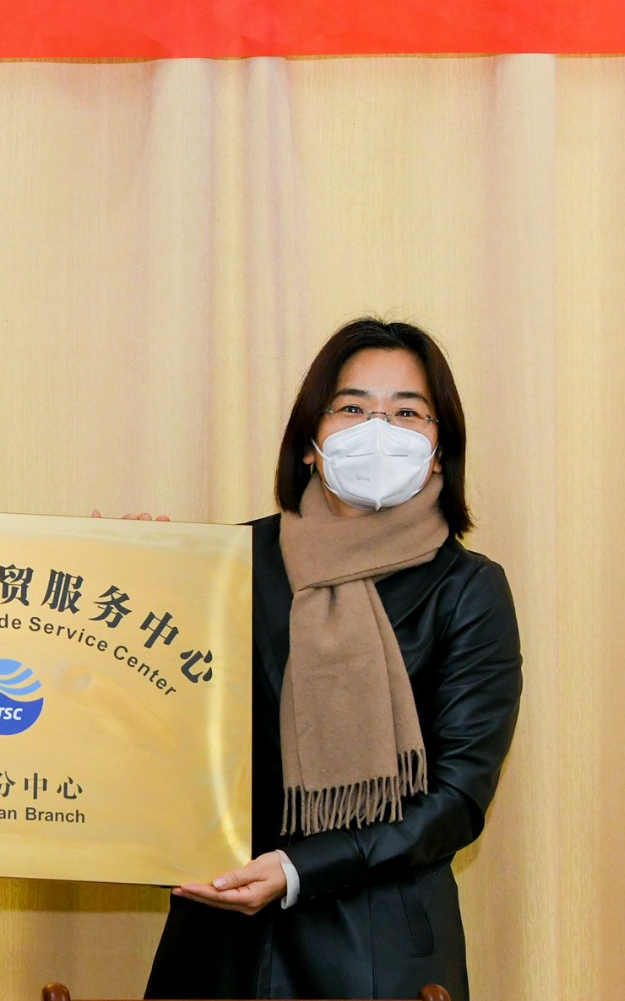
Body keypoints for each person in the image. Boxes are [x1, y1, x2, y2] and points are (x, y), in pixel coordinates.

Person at [145, 318, 522, 1000]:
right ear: (310, 444)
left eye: (407, 412)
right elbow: (150, 728)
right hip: (221, 939)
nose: (378, 429)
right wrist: (128, 575)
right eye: (351, 407)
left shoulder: (467, 588)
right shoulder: (226, 563)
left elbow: (459, 798)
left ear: (440, 451)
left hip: (377, 948)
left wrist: (298, 869)